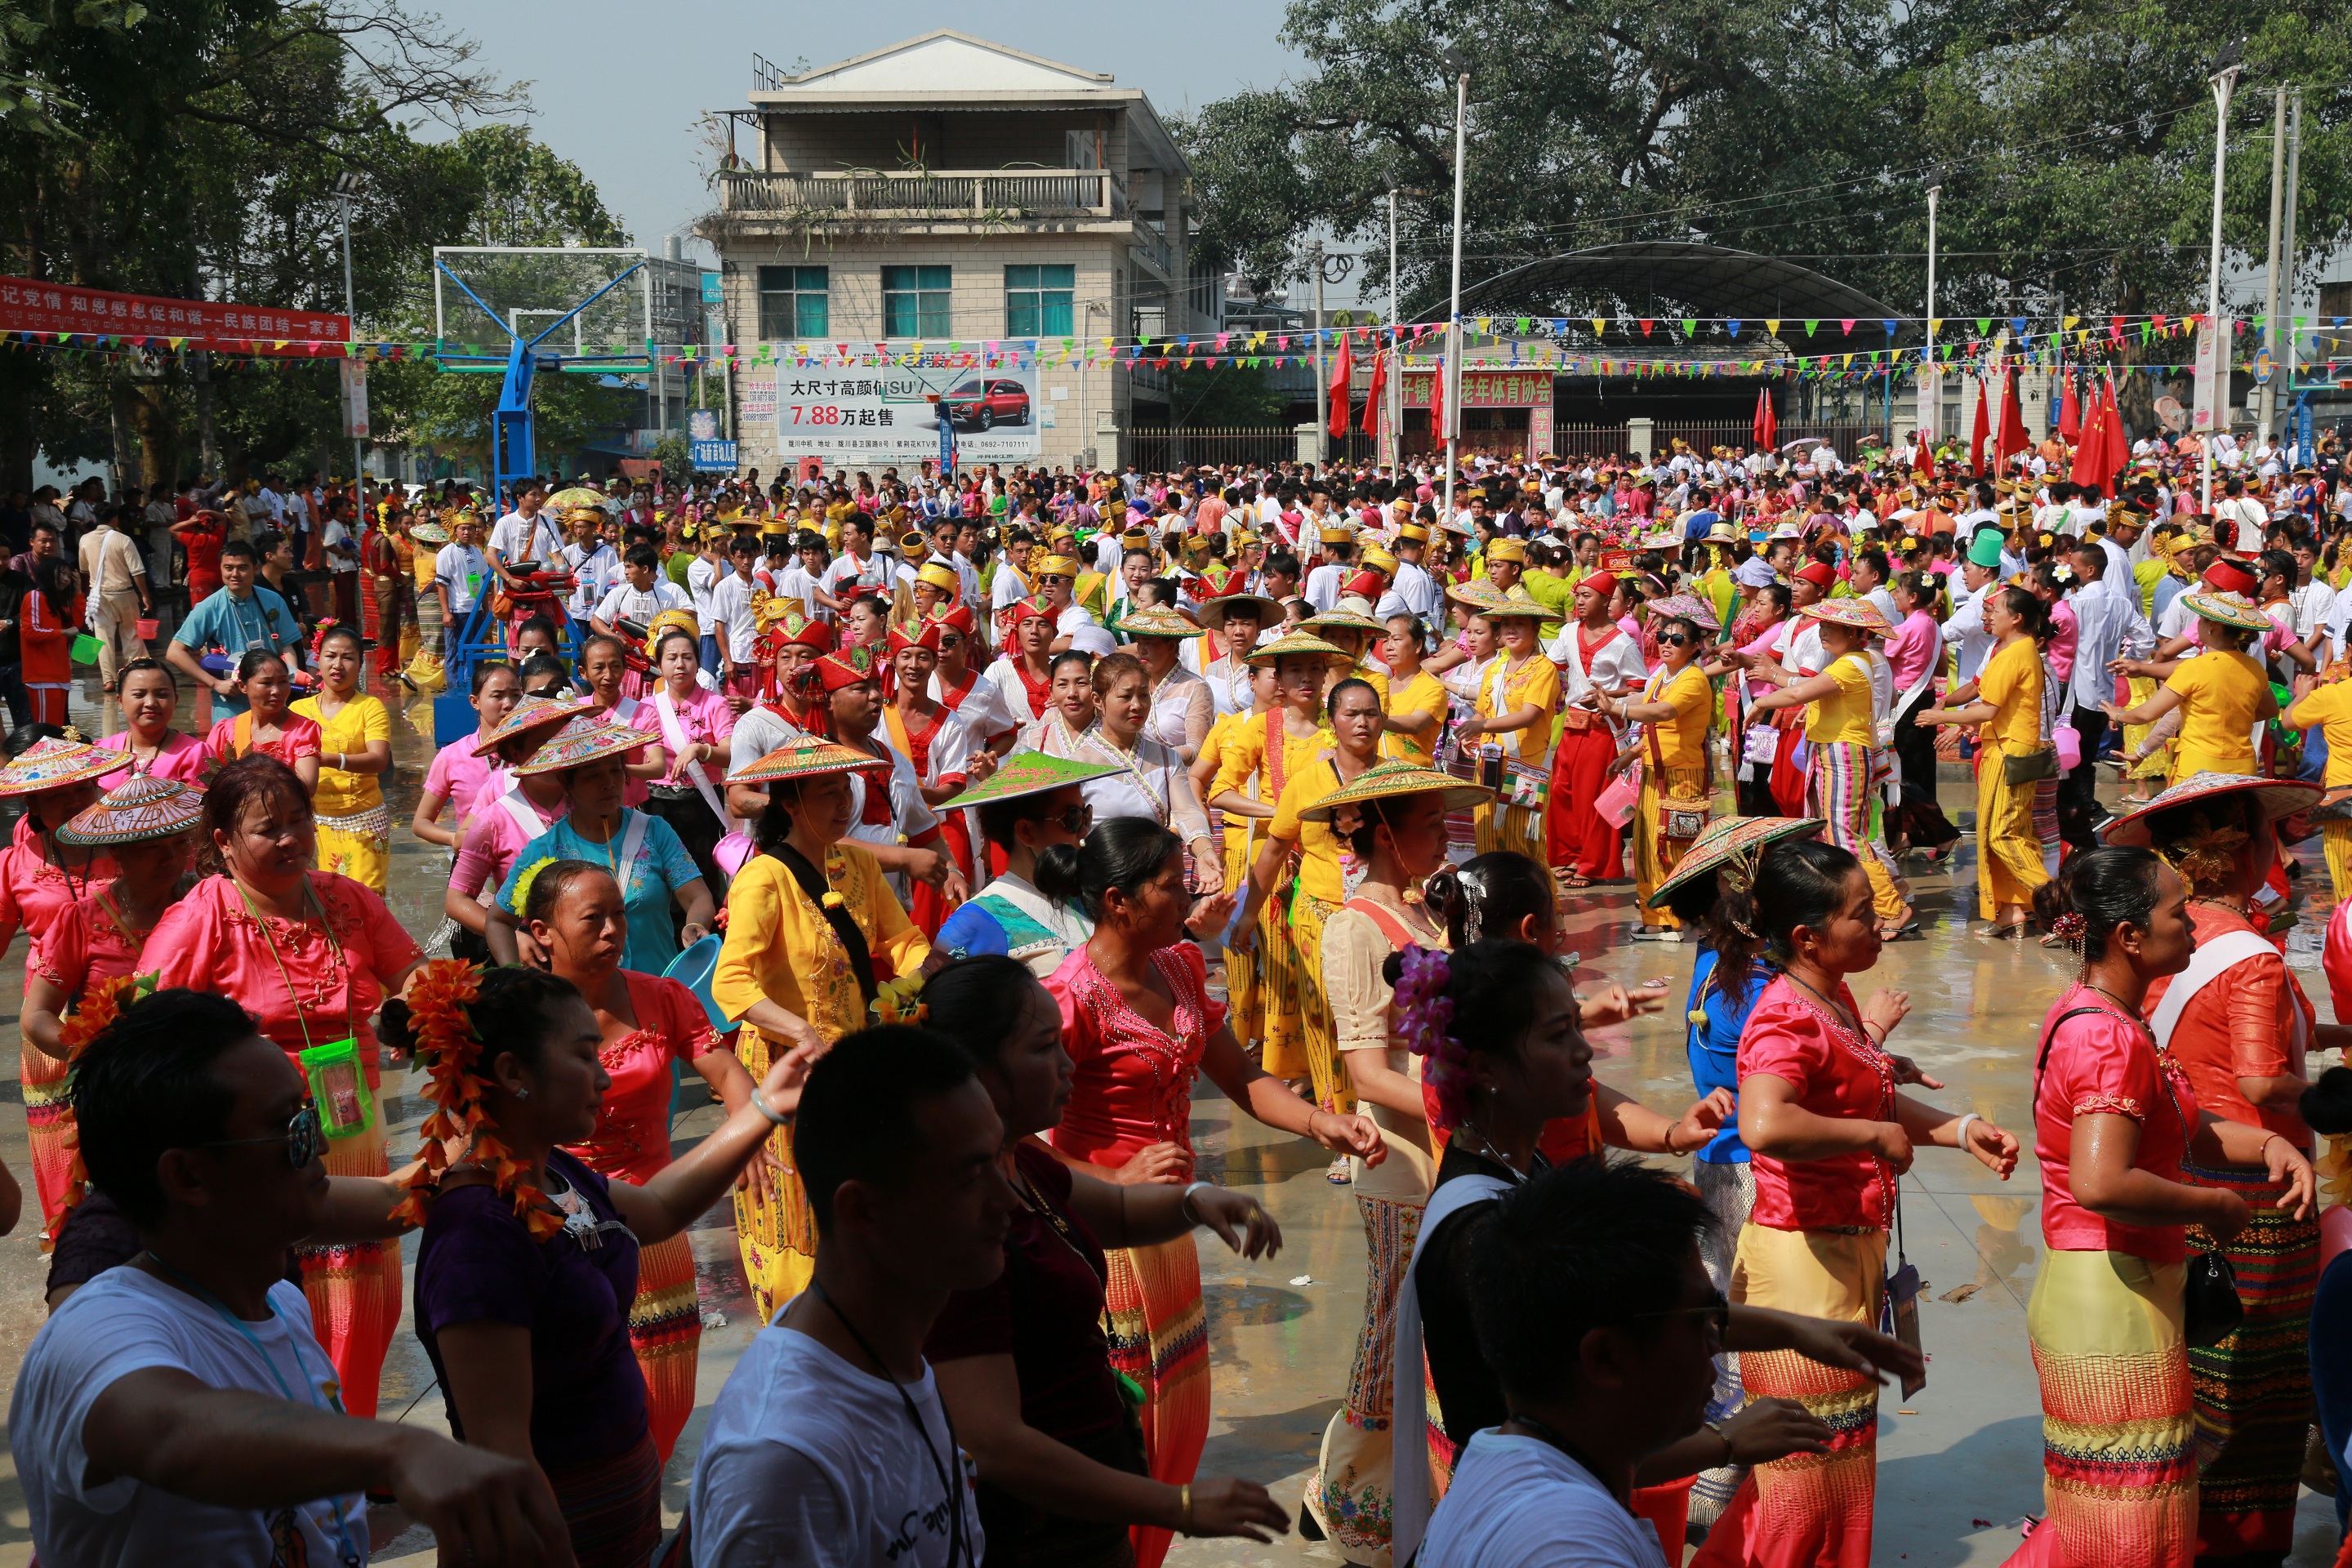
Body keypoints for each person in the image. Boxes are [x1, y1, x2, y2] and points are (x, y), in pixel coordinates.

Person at [1383, 933, 1921, 1568]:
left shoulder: (1519, 1176)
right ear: (1488, 1069)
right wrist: (1723, 1441)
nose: (1585, 1050)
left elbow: (1643, 1315)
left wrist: (1803, 1332)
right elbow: (1560, 1431)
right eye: (1559, 1035)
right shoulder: (1482, 1229)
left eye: (1577, 1027)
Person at [12, 988, 572, 1568]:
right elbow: (168, 1431)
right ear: (188, 1176)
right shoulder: (99, 1329)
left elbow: (389, 1202)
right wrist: (399, 1449)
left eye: (310, 1117)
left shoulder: (280, 1302)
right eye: (293, 1129)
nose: (323, 1145)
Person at [1042, 817, 1383, 1568]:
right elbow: (1022, 1140)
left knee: (1180, 1424)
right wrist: (1114, 1179)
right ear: (1118, 901)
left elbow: (1243, 1076)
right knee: (1126, 1431)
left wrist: (1322, 1121)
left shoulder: (1182, 967)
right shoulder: (1067, 998)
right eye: (1171, 883)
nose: (1190, 891)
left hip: (1170, 1232)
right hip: (1103, 1243)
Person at [404, 961, 807, 1568]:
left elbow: (662, 1206)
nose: (605, 1079)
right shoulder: (477, 1236)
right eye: (586, 1057)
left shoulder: (556, 1173)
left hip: (619, 1526)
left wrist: (765, 1108)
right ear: (514, 1072)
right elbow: (505, 1458)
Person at [922, 955, 1294, 1564]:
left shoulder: (1020, 1163)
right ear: (979, 1072)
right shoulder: (961, 1222)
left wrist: (1200, 1200)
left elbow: (1117, 1213)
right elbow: (993, 1443)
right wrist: (1171, 1506)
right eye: (1045, 1049)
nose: (1069, 1065)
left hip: (1085, 1516)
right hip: (1033, 1534)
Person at [2016, 844, 2316, 1568]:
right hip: (2108, 1294)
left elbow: (2182, 1126)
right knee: (2125, 1527)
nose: (2191, 925)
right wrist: (2210, 1205)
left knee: (2126, 1513)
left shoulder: (2116, 1016)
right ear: (2128, 936)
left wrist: (2266, 1148)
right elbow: (2101, 1182)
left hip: (2128, 1284)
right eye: (2176, 911)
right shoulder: (2105, 1036)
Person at [1729, 836, 2020, 1568]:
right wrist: (1871, 1133)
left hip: (1845, 1250)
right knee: (1802, 1484)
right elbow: (1763, 1124)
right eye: (1864, 914)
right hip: (1803, 1263)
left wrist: (1957, 1129)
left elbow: (1873, 1096)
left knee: (1838, 1472)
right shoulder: (1784, 1017)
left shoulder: (1832, 998)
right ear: (1809, 937)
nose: (1881, 925)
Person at [2105, 771, 2343, 1560]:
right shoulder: (2254, 958)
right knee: (2260, 1383)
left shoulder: (2172, 934)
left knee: (2196, 1362)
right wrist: (2326, 1088)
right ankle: (2241, 1538)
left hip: (2184, 1169)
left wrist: (2328, 1038)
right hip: (2260, 1187)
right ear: (2251, 852)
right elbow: (2258, 1080)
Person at [145, 755, 426, 1418]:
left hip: (354, 1129)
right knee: (277, 1299)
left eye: (301, 821)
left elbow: (413, 972)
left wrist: (413, 1008)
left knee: (366, 1296)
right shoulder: (202, 916)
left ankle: (352, 1438)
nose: (292, 839)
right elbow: (148, 1031)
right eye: (269, 829)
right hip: (255, 1148)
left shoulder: (346, 897)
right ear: (222, 843)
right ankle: (291, 1447)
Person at [687, 1024, 1002, 1568]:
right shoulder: (782, 1463)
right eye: (971, 1178)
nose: (1007, 1201)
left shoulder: (892, 1348)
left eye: (999, 1160)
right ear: (861, 1210)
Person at [1298, 758, 1491, 1561]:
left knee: (1437, 1340)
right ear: (1382, 835)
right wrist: (1471, 1104)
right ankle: (1349, 1504)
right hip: (1405, 1165)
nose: (1443, 839)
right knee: (1389, 1340)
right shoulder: (1354, 928)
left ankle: (1412, 1495)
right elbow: (1369, 1073)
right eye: (1427, 825)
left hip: (1447, 1155)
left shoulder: (1422, 915)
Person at [522, 858, 762, 1464]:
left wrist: (746, 1136)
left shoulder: (664, 995)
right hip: (555, 1230)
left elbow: (727, 1071)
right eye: (593, 919)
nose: (612, 931)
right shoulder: (518, 1018)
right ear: (542, 931)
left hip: (654, 1223)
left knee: (665, 1401)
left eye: (619, 916)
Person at [711, 733, 934, 1323]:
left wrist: (927, 977)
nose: (843, 803)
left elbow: (902, 941)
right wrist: (804, 1033)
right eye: (827, 792)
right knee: (801, 1222)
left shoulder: (857, 862)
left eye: (846, 790)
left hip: (856, 1072)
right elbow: (732, 984)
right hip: (791, 1077)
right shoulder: (763, 880)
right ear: (791, 802)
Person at [1648, 813, 1829, 1530]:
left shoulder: (1711, 963)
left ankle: (1716, 1470)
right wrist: (1871, 1036)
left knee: (1726, 1301)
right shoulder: (1757, 979)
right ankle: (1727, 1473)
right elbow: (1795, 1077)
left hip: (1719, 1163)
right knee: (1753, 1319)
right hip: (1758, 1170)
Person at [20, 775, 200, 1218]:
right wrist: (93, 1057)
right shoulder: (81, 920)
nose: (172, 858)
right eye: (151, 847)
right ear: (117, 853)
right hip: (122, 1097)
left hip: (201, 1088)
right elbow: (36, 1015)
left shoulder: (209, 905)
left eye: (178, 843)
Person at [0, 734, 129, 1235]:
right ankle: (68, 1246)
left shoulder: (131, 846)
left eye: (86, 788)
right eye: (61, 793)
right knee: (57, 1140)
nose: (78, 800)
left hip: (126, 1012)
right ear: (32, 803)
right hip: (47, 1016)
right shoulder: (16, 862)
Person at [1206, 628, 1344, 1075]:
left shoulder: (1338, 725)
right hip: (1274, 861)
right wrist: (1282, 812)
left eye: (1314, 670)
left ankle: (1330, 1063)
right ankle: (1290, 1066)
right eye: (1295, 671)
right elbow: (1220, 791)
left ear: (1326, 676)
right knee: (1285, 967)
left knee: (1326, 966)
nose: (1306, 679)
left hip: (1331, 861)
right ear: (1279, 680)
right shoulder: (1262, 728)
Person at [488, 713, 715, 974]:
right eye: (592, 776)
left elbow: (698, 896)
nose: (608, 784)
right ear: (566, 782)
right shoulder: (547, 850)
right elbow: (498, 921)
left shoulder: (654, 832)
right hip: (583, 1005)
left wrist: (693, 924)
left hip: (657, 992)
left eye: (615, 771)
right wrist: (515, 976)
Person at [1749, 599, 1914, 939]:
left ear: (1854, 633)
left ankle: (1893, 908)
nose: (1823, 631)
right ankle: (1870, 902)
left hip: (1843, 756)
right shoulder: (1850, 661)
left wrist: (1762, 701)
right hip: (1835, 754)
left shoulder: (1851, 664)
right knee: (1843, 836)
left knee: (1847, 838)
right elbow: (1813, 695)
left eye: (1832, 627)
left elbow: (1799, 691)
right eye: (1822, 625)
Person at [1915, 584, 2054, 936]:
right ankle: (2013, 910)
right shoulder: (2007, 649)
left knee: (2002, 834)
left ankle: (2057, 902)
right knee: (2002, 831)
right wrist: (1944, 706)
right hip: (2003, 747)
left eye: (1995, 610)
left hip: (2011, 751)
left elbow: (1989, 708)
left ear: (2017, 618)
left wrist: (1941, 718)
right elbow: (1980, 691)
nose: (1986, 616)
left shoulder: (2016, 653)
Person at [1595, 607, 1717, 938]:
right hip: (1653, 771)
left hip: (1680, 775)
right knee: (1646, 847)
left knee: (1672, 846)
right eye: (1663, 637)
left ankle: (1680, 918)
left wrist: (1618, 708)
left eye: (1677, 640)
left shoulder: (1693, 679)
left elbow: (1664, 712)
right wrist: (1630, 755)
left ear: (1694, 648)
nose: (1666, 643)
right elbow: (1655, 728)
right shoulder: (1663, 675)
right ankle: (1656, 917)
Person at [933, 753, 1114, 974]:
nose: (1085, 830)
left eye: (1086, 815)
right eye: (1073, 818)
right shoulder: (976, 920)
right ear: (1026, 832)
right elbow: (926, 1000)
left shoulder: (1093, 892)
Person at [2109, 591, 2280, 784]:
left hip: (2199, 768)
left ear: (2212, 626)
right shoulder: (2254, 667)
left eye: (2201, 619)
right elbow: (2271, 710)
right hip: (2242, 767)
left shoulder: (2194, 668)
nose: (2197, 624)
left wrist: (2117, 715)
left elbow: (2145, 714)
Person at [1544, 571, 1644, 889]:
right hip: (1572, 723)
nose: (1579, 601)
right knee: (1562, 791)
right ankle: (1573, 854)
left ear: (1605, 600)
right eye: (1578, 595)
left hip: (1602, 729)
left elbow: (1638, 688)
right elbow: (1554, 668)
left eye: (1587, 596)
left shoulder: (1622, 642)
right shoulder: (1569, 631)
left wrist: (1608, 696)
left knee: (1593, 796)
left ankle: (1594, 864)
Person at [1446, 584, 1558, 862]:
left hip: (1525, 766)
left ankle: (1537, 903)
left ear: (1535, 629)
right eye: (1506, 623)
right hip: (1489, 764)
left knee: (1524, 844)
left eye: (1519, 624)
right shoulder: (1495, 667)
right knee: (1486, 839)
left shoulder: (1544, 668)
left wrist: (1482, 727)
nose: (1511, 630)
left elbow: (1530, 714)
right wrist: (1468, 732)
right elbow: (1483, 711)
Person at [632, 617, 737, 893]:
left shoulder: (716, 704)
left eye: (688, 657)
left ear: (699, 663)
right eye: (672, 658)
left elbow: (730, 755)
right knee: (660, 875)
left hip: (703, 803)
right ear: (659, 665)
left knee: (704, 874)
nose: (680, 664)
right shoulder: (645, 707)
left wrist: (701, 750)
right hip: (656, 803)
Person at [291, 622, 393, 890]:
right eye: (330, 656)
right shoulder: (297, 709)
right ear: (318, 658)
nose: (338, 664)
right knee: (315, 904)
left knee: (363, 901)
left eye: (347, 658)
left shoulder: (370, 707)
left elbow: (379, 760)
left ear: (359, 664)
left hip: (361, 822)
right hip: (311, 823)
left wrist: (330, 759)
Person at [412, 660, 522, 853]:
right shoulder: (451, 756)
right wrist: (456, 838)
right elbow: (421, 822)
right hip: (473, 861)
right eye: (498, 696)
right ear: (475, 702)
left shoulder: (533, 752)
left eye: (516, 696)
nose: (509, 705)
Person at [203, 649, 322, 794]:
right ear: (242, 686)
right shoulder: (226, 731)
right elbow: (209, 783)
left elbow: (307, 787)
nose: (276, 691)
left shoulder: (302, 730)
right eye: (266, 683)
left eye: (283, 682)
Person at [96, 657, 210, 781]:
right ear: (120, 701)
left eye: (162, 695)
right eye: (139, 695)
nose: (150, 703)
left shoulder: (196, 754)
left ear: (175, 701)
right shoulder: (102, 752)